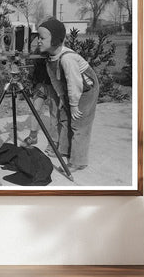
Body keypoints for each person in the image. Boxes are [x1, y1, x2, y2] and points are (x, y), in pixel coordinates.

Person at [37, 18, 99, 171]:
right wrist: (61, 97)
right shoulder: (50, 58)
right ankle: (64, 149)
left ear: (56, 40)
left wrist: (73, 105)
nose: (38, 41)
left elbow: (75, 83)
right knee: (64, 117)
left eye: (42, 38)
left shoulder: (67, 59)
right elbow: (55, 80)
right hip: (71, 89)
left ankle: (78, 161)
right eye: (38, 37)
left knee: (79, 124)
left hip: (86, 89)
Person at [20, 57, 59, 156]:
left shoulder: (54, 49)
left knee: (54, 114)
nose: (40, 40)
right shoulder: (40, 48)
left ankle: (54, 143)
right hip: (40, 83)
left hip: (53, 85)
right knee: (35, 110)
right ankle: (33, 137)